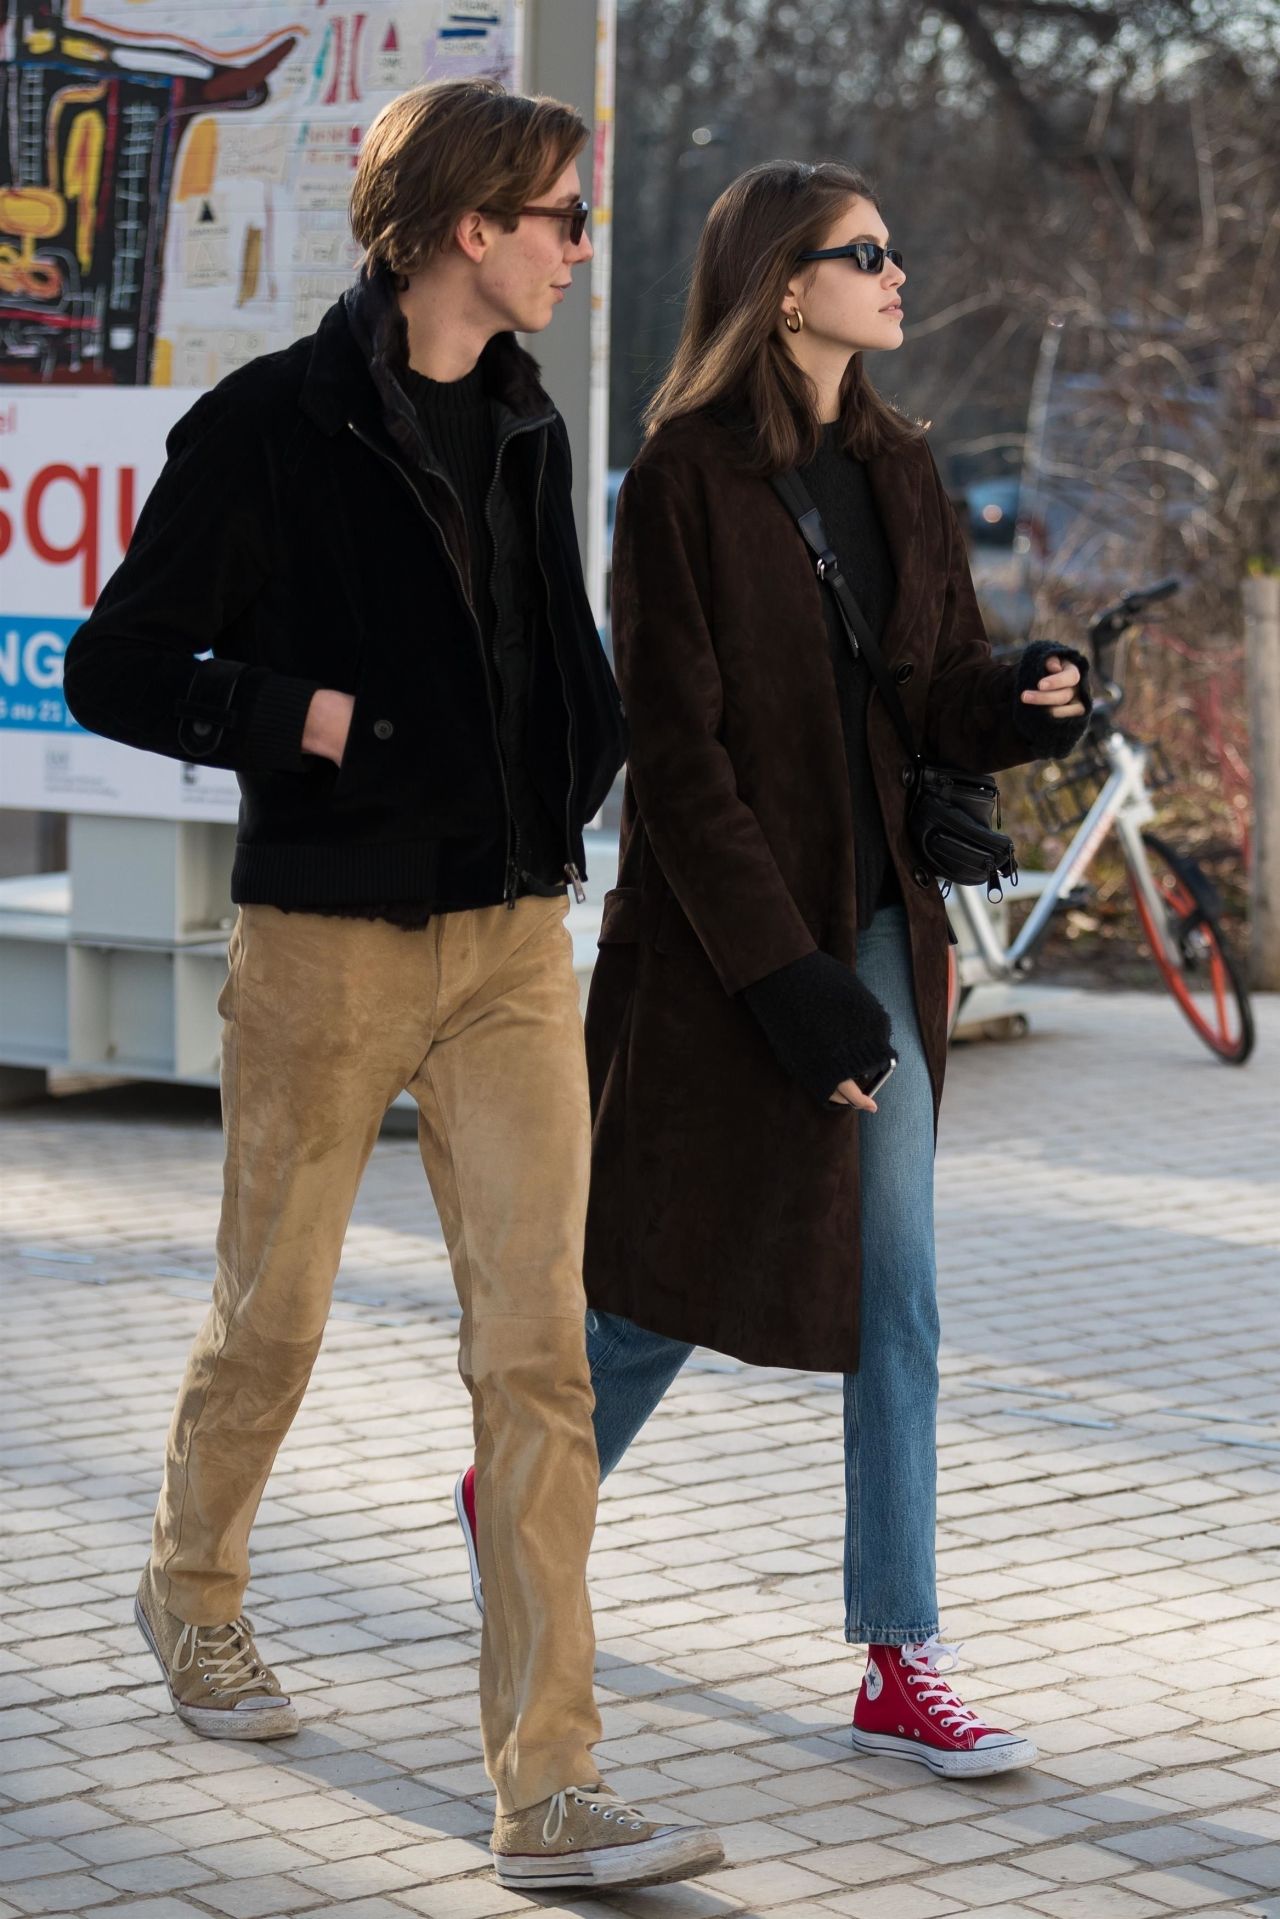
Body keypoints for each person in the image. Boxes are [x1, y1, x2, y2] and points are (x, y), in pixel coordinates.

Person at [63, 78, 723, 1892]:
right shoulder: (271, 427)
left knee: (537, 1361)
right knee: (271, 1314)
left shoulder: (527, 421)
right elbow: (112, 668)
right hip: (327, 947)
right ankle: (189, 1588)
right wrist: (295, 719)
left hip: (513, 946)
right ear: (465, 226)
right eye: (563, 219)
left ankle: (551, 1789)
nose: (584, 250)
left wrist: (575, 773)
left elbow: (554, 661)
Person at [456, 158, 1092, 1777]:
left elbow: (932, 686)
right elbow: (679, 762)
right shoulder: (681, 482)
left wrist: (1015, 697)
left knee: (897, 1289)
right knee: (684, 1269)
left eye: (894, 248)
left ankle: (899, 1650)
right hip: (731, 950)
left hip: (877, 923)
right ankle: (523, 1480)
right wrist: (784, 976)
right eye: (863, 253)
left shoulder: (905, 471)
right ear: (782, 287)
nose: (896, 274)